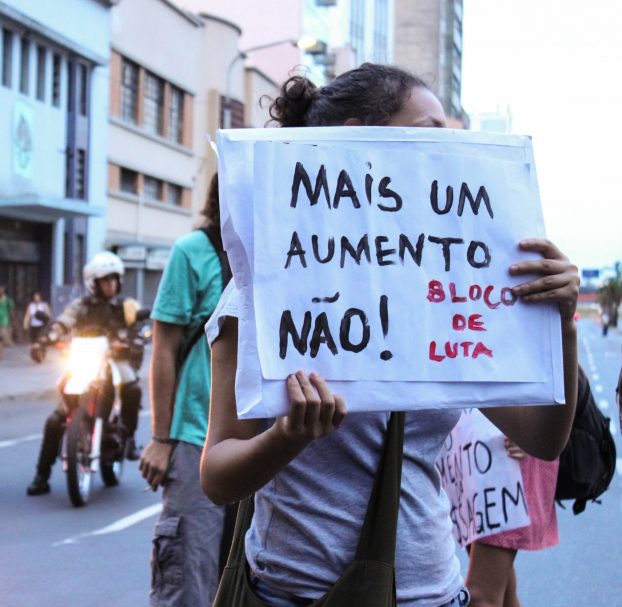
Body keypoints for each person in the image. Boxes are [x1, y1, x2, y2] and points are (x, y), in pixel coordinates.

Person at [200, 64, 581, 607]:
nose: (450, 154)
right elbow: (218, 475)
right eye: (432, 135)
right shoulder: (264, 287)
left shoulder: (451, 287)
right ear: (364, 138)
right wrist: (286, 437)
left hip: (435, 593)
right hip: (296, 594)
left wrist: (559, 322)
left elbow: (544, 439)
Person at [140, 174, 233, 606]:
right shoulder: (191, 253)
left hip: (267, 444)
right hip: (195, 439)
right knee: (190, 582)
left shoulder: (282, 254)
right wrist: (162, 439)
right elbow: (163, 349)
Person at [26, 251, 143, 496]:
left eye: (114, 280)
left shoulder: (126, 306)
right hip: (84, 360)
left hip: (114, 360)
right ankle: (41, 475)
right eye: (105, 280)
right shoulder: (80, 306)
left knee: (132, 387)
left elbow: (139, 325)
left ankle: (129, 439)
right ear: (94, 283)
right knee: (55, 419)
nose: (111, 285)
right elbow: (63, 321)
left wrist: (134, 338)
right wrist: (48, 337)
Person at [464, 438, 559, 607]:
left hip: (507, 459)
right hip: (469, 454)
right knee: (501, 591)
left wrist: (535, 433)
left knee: (480, 596)